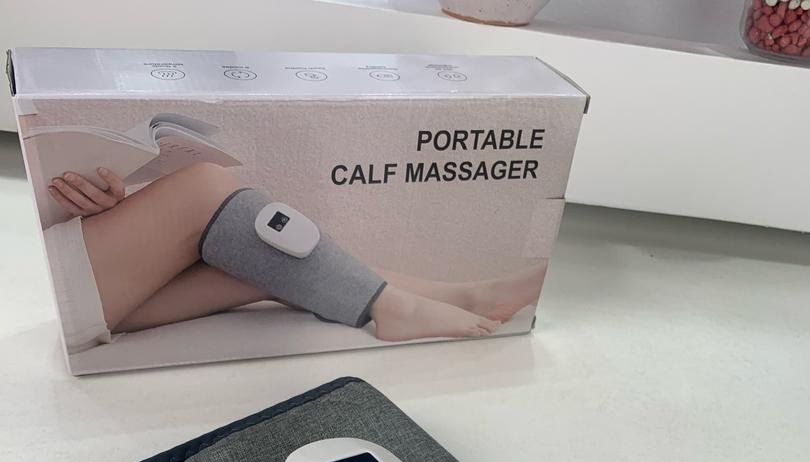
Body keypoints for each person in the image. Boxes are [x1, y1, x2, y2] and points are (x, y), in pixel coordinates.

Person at [46, 162, 547, 345]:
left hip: (94, 287)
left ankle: (465, 296)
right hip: (56, 289)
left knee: (255, 262)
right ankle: (396, 308)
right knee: (206, 185)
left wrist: (102, 206)